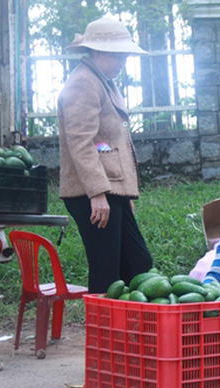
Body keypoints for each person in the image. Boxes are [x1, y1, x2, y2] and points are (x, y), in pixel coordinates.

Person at [57, 16, 153, 294]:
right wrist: (97, 193)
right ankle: (102, 335)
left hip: (111, 190)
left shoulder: (102, 80)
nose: (123, 62)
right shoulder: (83, 83)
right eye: (119, 55)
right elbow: (81, 142)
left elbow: (108, 142)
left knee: (138, 265)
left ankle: (127, 331)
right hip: (92, 192)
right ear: (98, 52)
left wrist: (122, 195)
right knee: (106, 269)